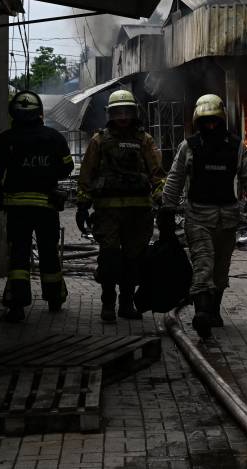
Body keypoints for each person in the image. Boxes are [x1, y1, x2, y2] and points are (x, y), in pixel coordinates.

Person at [158, 94, 247, 339]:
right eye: (206, 121)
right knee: (203, 263)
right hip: (198, 217)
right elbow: (174, 179)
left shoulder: (235, 146)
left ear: (221, 120)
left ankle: (214, 311)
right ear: (198, 121)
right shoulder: (189, 146)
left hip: (227, 219)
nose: (211, 126)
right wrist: (167, 208)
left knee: (220, 270)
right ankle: (202, 312)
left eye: (214, 121)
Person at [0, 91, 74, 322]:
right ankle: (54, 298)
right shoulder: (54, 138)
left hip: (17, 209)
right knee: (48, 253)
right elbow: (66, 167)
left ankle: (17, 305)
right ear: (39, 112)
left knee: (19, 255)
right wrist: (46, 173)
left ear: (14, 112)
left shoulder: (5, 140)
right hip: (46, 207)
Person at [77, 89, 165, 322]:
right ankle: (108, 304)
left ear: (134, 113)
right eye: (118, 112)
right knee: (109, 258)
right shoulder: (99, 141)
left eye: (127, 111)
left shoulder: (144, 140)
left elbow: (157, 174)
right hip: (108, 212)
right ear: (110, 114)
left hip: (138, 212)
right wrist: (82, 205)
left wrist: (162, 198)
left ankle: (127, 304)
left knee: (133, 259)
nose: (123, 117)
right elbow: (86, 175)